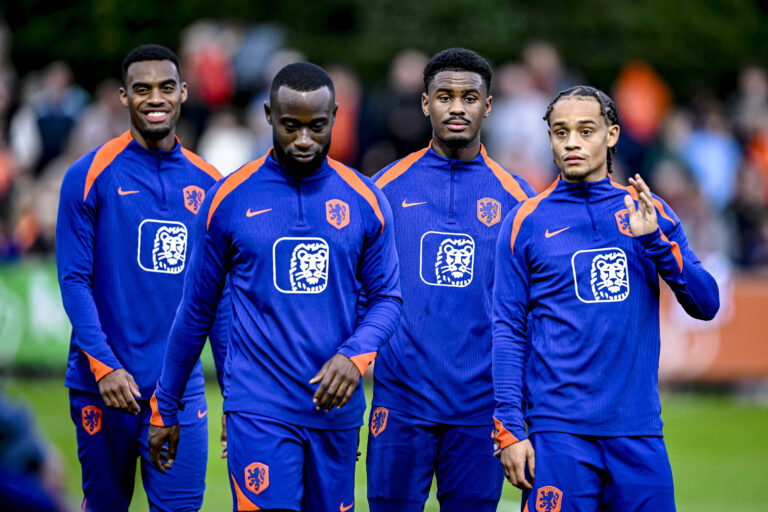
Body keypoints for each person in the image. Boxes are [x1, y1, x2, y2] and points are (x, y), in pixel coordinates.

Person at [148, 62, 402, 512]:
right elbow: (196, 309)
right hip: (258, 409)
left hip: (335, 413)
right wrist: (165, 407)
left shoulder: (366, 199)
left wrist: (354, 355)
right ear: (268, 115)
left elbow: (387, 297)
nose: (303, 140)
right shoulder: (228, 199)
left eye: (316, 127)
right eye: (290, 126)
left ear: (335, 117)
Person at [492, 85, 720, 511]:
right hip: (557, 434)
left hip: (638, 432)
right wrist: (510, 429)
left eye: (585, 130)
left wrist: (655, 242)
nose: (572, 142)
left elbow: (706, 304)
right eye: (561, 132)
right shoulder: (524, 222)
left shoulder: (648, 210)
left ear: (612, 134)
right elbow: (507, 333)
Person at [56, 44, 226, 512]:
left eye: (166, 87)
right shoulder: (87, 175)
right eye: (142, 89)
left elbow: (221, 301)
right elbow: (73, 280)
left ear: (184, 93)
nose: (156, 98)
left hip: (178, 392)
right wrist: (104, 366)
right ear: (123, 97)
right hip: (103, 385)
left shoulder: (213, 183)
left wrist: (234, 394)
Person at [367, 48, 535, 511]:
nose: (456, 107)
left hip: (481, 407)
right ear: (425, 104)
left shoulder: (519, 200)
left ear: (488, 105)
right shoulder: (382, 189)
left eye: (468, 97)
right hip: (402, 402)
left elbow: (530, 312)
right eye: (444, 96)